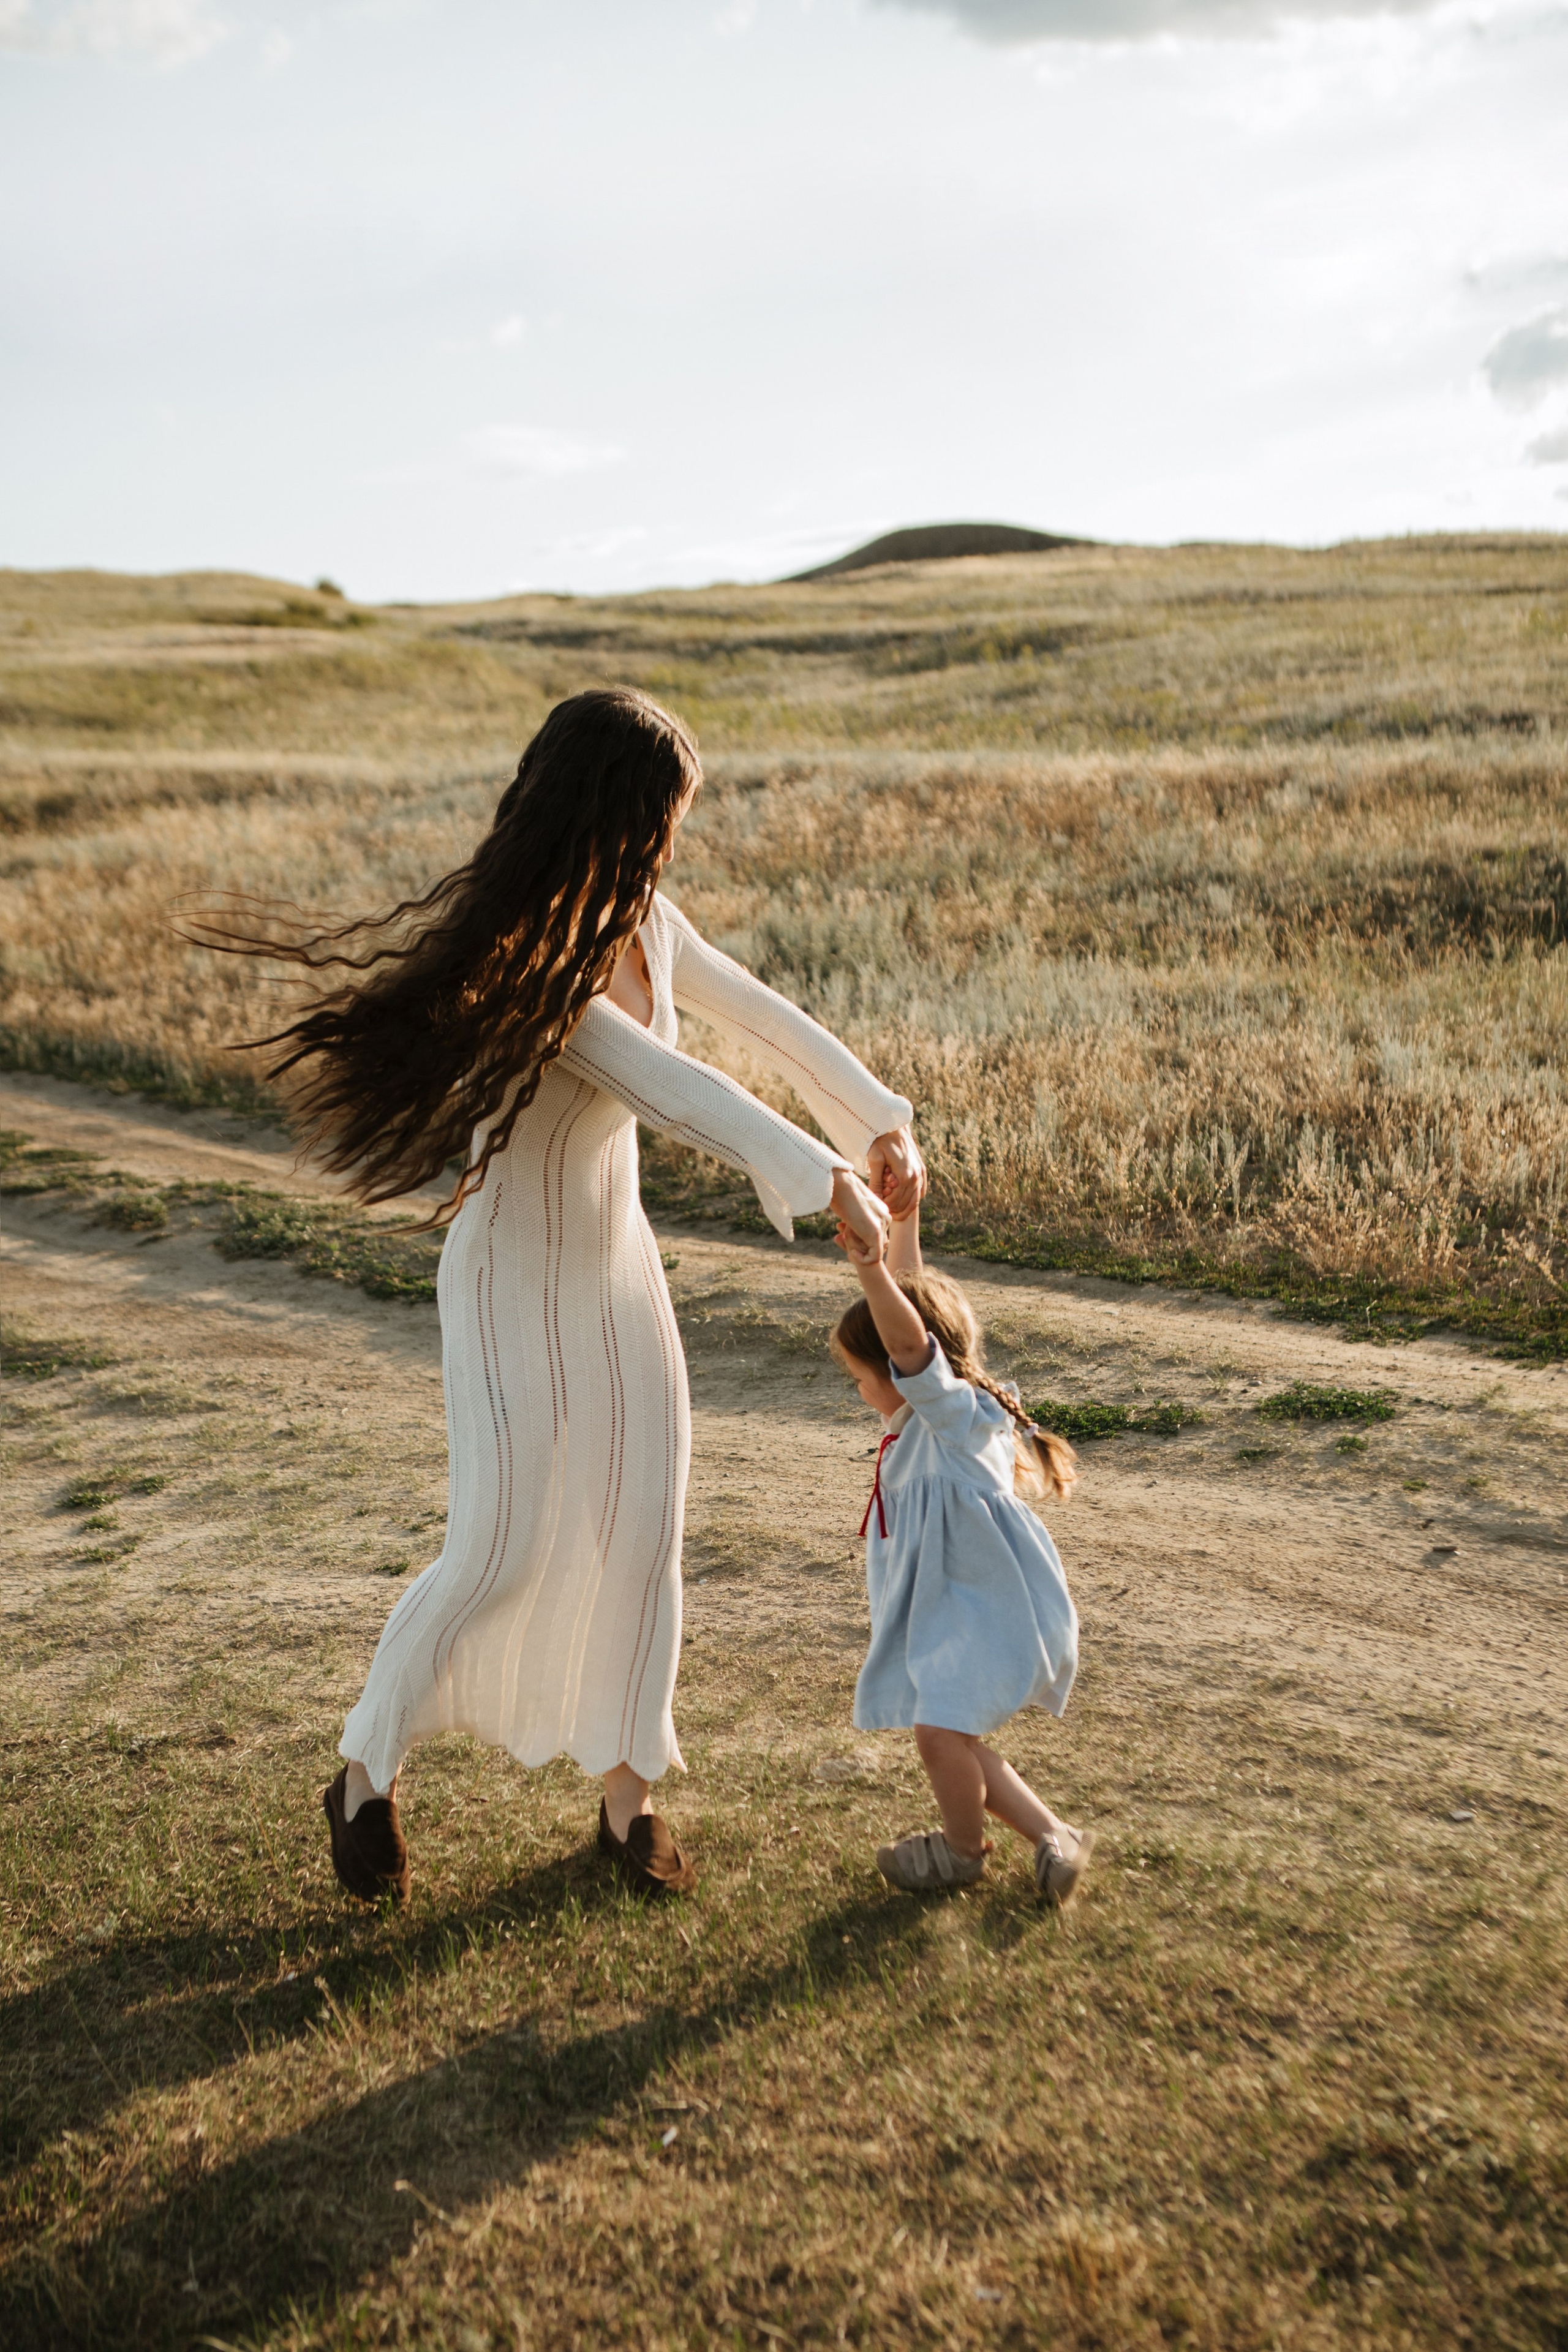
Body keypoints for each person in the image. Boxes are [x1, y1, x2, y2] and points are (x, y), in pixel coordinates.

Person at [195, 688, 922, 1902]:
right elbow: (677, 1086)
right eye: (665, 816)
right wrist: (822, 1174)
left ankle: (627, 1811)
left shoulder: (651, 921)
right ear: (611, 814)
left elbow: (770, 1031)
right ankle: (364, 1771)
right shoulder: (527, 961)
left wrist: (877, 1119)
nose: (674, 841)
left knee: (645, 1536)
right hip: (504, 1288)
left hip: (614, 1274)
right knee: (501, 1544)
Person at [831, 1194, 1090, 1902]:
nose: (861, 1393)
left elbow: (908, 1339)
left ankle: (960, 1853)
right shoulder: (945, 1407)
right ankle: (1054, 1838)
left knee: (937, 1734)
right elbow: (920, 1325)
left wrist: (871, 1273)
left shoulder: (945, 1418)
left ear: (903, 1370)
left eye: (861, 1379)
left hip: (982, 1614)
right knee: (956, 1738)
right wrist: (902, 1227)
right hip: (968, 1614)